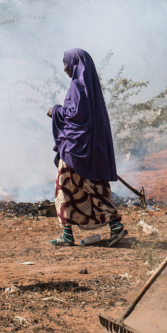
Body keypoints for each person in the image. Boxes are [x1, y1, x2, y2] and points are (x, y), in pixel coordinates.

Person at [47, 48, 126, 247]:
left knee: (64, 187)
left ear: (74, 64)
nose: (64, 67)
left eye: (65, 63)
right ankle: (113, 227)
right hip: (91, 149)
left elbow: (75, 116)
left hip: (75, 149)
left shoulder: (76, 86)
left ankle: (69, 235)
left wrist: (55, 111)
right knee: (93, 189)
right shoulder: (90, 87)